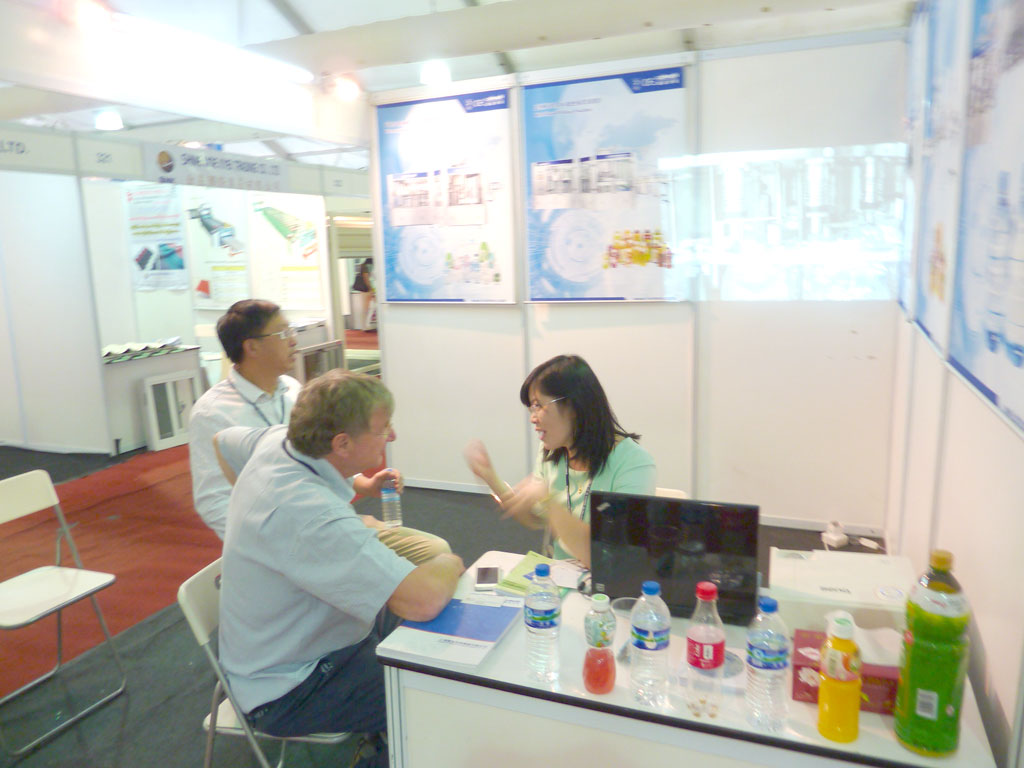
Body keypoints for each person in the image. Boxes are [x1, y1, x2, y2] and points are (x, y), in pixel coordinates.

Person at [214, 370, 464, 766]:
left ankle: (391, 736)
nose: (392, 436)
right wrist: (450, 563)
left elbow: (223, 441)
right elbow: (425, 600)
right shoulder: (309, 516)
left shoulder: (279, 440)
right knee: (440, 700)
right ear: (342, 443)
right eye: (383, 429)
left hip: (292, 651)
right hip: (290, 688)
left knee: (422, 651)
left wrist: (255, 526)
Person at [189, 299, 446, 563]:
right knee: (421, 571)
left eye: (291, 331)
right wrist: (274, 551)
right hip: (281, 542)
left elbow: (321, 456)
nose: (293, 340)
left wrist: (366, 485)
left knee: (436, 552)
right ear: (252, 347)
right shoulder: (214, 412)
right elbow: (214, 501)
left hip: (328, 521)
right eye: (283, 333)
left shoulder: (291, 389)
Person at [465, 354, 655, 569]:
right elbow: (535, 518)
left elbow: (609, 559)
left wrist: (548, 500)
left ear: (573, 406)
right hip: (563, 576)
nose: (532, 418)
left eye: (538, 406)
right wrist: (491, 478)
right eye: (531, 408)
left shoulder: (634, 464)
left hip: (608, 582)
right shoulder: (552, 452)